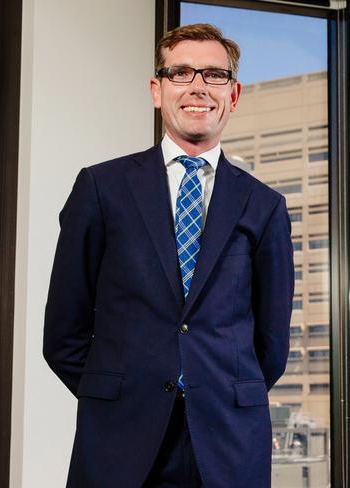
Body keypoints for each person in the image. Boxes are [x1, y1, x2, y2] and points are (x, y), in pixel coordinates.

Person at [43, 23, 294, 487]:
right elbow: (63, 331)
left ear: (233, 95)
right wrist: (119, 394)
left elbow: (271, 346)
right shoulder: (102, 189)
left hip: (226, 444)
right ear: (157, 90)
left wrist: (211, 390)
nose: (198, 86)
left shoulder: (264, 206)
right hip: (120, 441)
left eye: (215, 75)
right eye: (181, 73)